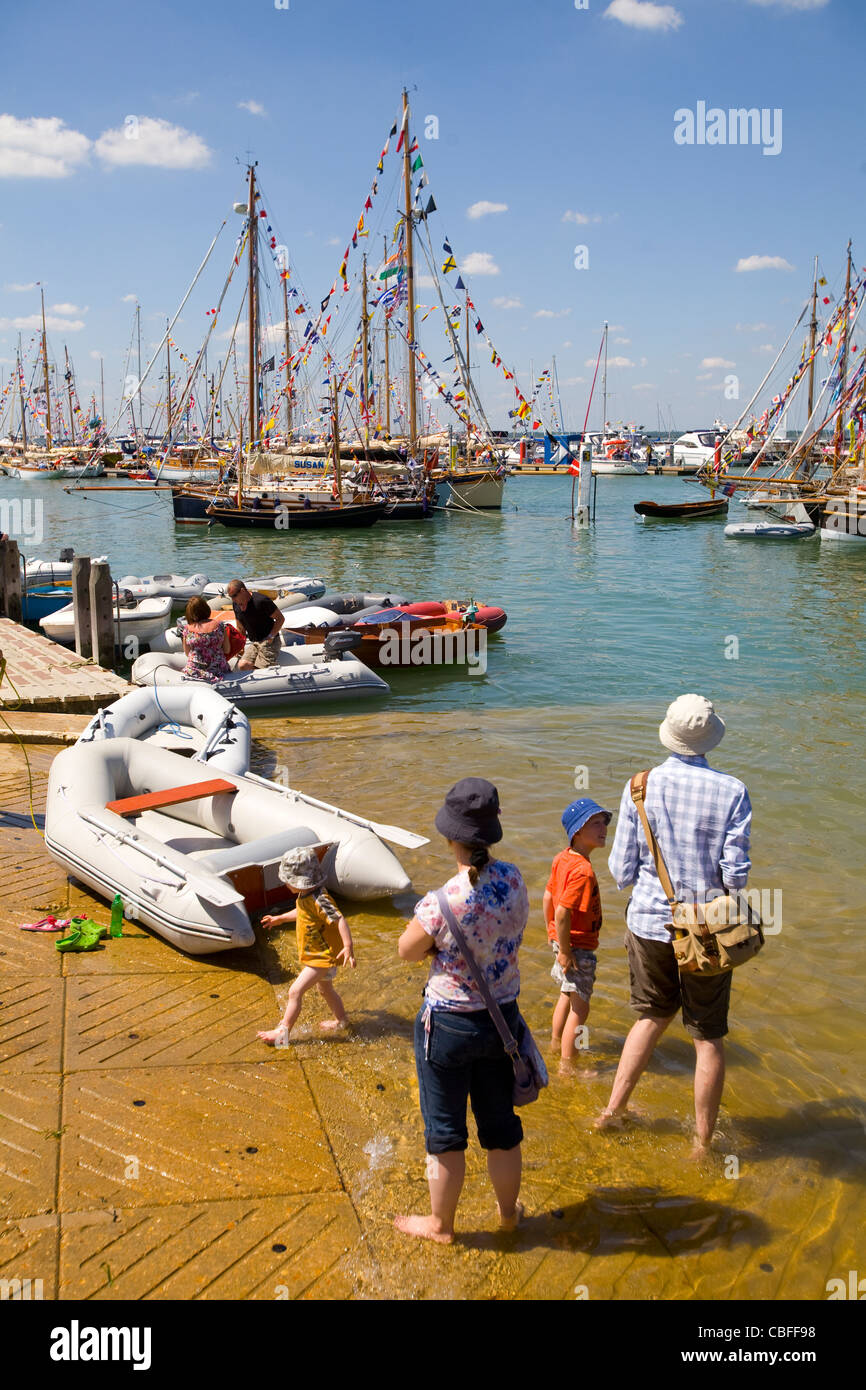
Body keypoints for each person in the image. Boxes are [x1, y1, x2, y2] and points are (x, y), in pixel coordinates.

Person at [598, 694, 752, 1155]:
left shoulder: (639, 786)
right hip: (706, 930)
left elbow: (622, 870)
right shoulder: (733, 791)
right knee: (708, 1038)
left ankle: (613, 1111)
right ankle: (702, 1144)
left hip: (650, 922)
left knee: (651, 1017)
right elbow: (736, 875)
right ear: (709, 738)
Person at [395, 777, 529, 1244]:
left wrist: (440, 949)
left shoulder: (440, 902)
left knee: (446, 1131)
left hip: (449, 1026)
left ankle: (440, 1225)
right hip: (502, 1021)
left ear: (451, 837)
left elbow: (407, 951)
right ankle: (508, 1213)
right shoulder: (513, 878)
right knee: (501, 1127)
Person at [256, 847, 356, 1045]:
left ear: (298, 881)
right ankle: (342, 1021)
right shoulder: (307, 895)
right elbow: (302, 912)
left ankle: (283, 1032)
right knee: (325, 990)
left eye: (288, 881)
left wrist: (348, 946)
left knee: (295, 991)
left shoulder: (320, 899)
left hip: (321, 958)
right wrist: (280, 918)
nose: (286, 885)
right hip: (317, 955)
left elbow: (339, 919)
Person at [544, 797, 611, 1071]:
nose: (603, 828)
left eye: (604, 822)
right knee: (580, 1008)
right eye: (594, 824)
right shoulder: (583, 871)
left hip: (562, 941)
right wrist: (566, 950)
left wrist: (553, 937)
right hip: (577, 946)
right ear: (577, 832)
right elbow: (562, 911)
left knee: (566, 993)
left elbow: (548, 897)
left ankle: (555, 1043)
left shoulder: (563, 858)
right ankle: (567, 1063)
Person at [226, 578, 285, 670]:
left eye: (234, 596)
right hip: (255, 642)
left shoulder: (261, 601)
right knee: (242, 665)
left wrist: (271, 636)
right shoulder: (236, 605)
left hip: (269, 641)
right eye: (231, 597)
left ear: (242, 591)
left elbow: (280, 619)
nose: (233, 599)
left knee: (262, 670)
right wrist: (239, 646)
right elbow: (240, 628)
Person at [181, 595, 231, 684]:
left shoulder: (187, 629)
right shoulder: (220, 625)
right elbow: (227, 650)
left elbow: (187, 653)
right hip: (218, 669)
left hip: (194, 670)